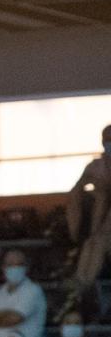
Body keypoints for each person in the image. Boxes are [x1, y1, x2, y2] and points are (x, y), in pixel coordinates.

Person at [65, 126, 111, 298]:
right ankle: (81, 279)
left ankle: (84, 282)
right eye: (107, 140)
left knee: (98, 242)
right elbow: (77, 188)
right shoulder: (95, 165)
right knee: (92, 242)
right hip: (97, 227)